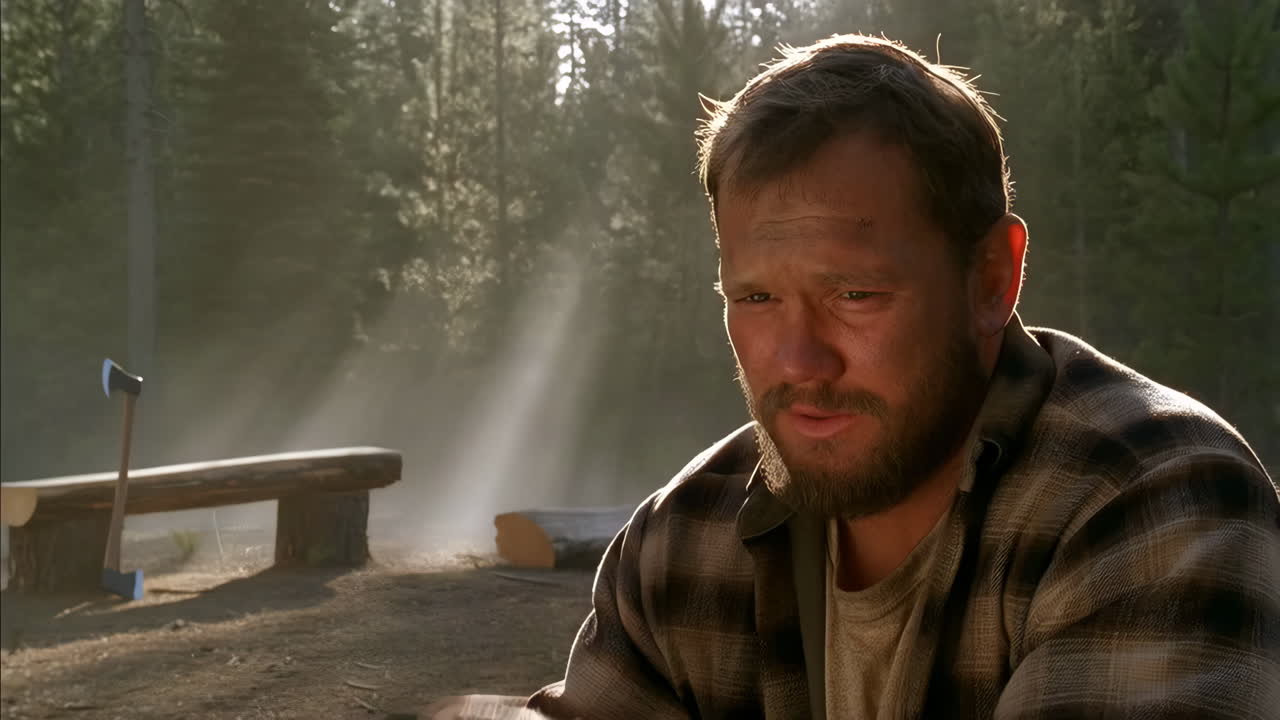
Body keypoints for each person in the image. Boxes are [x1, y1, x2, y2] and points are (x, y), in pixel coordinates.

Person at [526, 34, 1280, 719]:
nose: (798, 361)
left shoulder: (1155, 509)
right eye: (756, 298)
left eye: (854, 294)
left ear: (992, 279)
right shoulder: (680, 544)